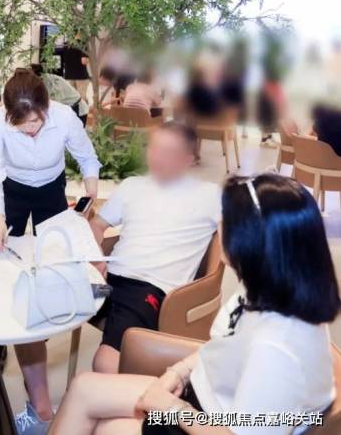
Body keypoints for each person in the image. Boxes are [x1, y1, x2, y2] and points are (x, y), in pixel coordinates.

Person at [50, 173, 338, 435]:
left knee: (108, 427)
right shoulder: (269, 283)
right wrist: (178, 372)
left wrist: (173, 408)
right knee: (83, 388)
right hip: (201, 395)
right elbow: (221, 347)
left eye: (227, 219)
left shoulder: (276, 348)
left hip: (208, 420)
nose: (220, 225)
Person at [0, 68, 100, 433]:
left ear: (46, 109)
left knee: (53, 260)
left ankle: (41, 322)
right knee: (7, 257)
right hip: (14, 189)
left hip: (51, 189)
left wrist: (91, 191)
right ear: (8, 116)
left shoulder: (63, 118)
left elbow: (87, 158)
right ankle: (6, 331)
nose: (31, 130)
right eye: (23, 126)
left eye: (36, 122)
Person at [87, 122, 220, 374]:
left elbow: (235, 242)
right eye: (154, 148)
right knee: (46, 305)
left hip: (147, 289)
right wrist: (95, 258)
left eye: (168, 152)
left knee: (105, 363)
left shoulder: (210, 194)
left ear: (188, 159)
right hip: (106, 280)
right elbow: (97, 225)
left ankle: (128, 396)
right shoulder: (132, 185)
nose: (157, 157)